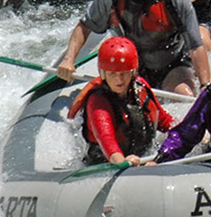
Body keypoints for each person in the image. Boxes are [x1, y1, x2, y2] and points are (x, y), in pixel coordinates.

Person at [56, 0, 211, 97]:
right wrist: (69, 59)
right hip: (128, 68)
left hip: (172, 65)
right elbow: (85, 26)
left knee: (184, 95)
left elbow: (195, 46)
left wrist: (205, 86)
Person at [67, 37, 175, 166]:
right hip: (107, 163)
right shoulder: (97, 102)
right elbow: (107, 141)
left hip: (140, 156)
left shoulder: (140, 88)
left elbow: (163, 120)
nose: (119, 80)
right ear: (103, 74)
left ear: (133, 72)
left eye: (124, 73)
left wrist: (187, 131)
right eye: (112, 74)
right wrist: (123, 163)